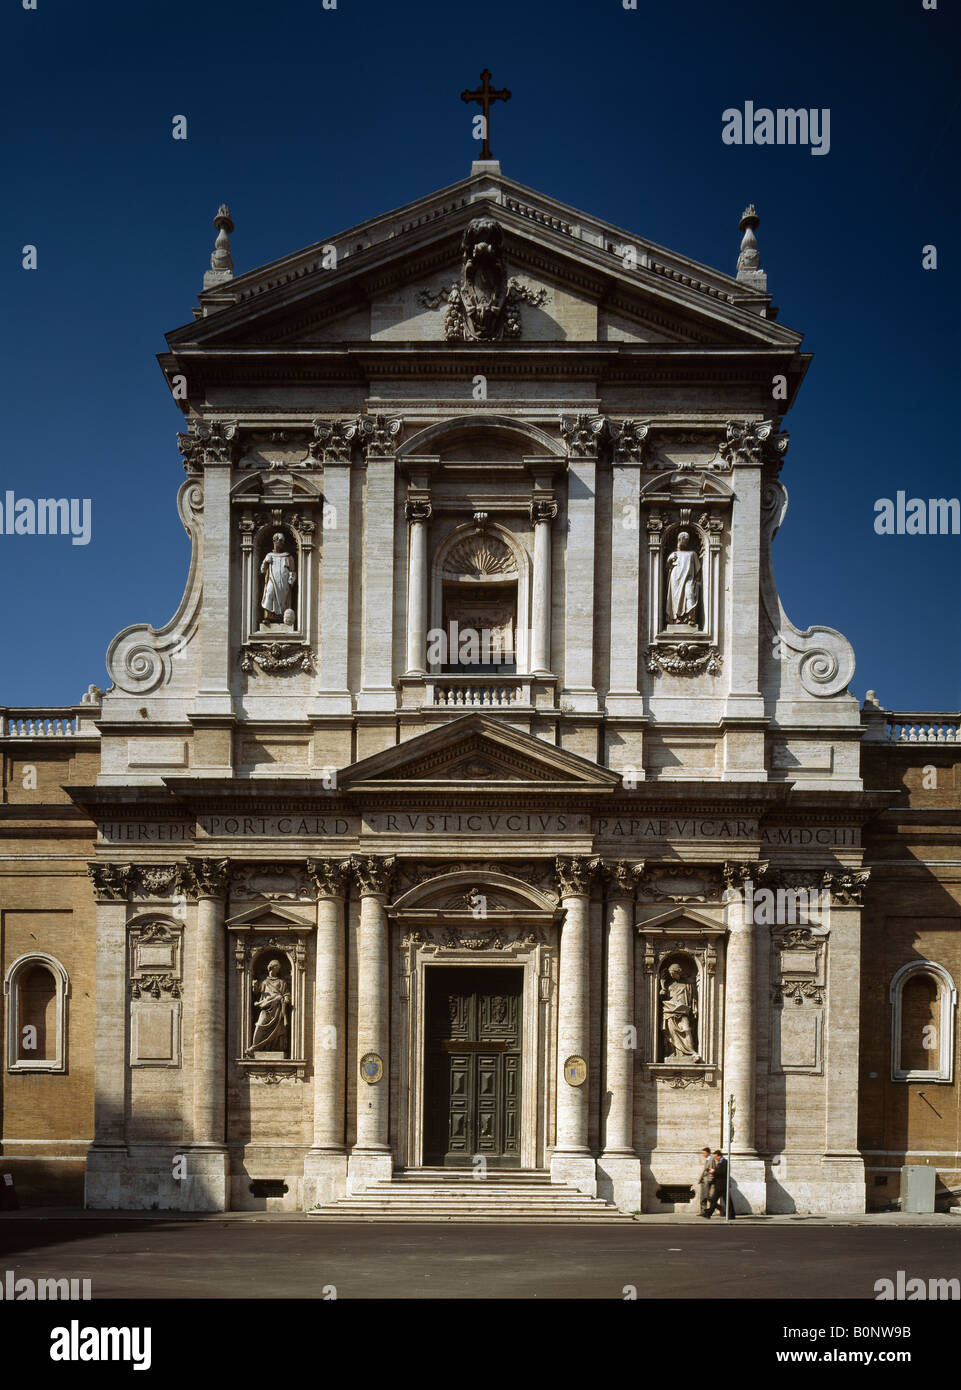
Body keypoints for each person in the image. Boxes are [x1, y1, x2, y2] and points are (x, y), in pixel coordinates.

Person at [705, 1149, 736, 1220]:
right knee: (723, 1200)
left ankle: (709, 1213)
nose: (715, 1158)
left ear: (719, 1156)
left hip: (722, 1185)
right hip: (719, 1185)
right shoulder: (720, 1162)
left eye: (716, 1157)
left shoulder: (724, 1162)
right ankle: (731, 1215)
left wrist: (714, 1172)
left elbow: (723, 1173)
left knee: (720, 1200)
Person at [698, 1147, 716, 1216]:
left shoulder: (711, 1159)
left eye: (704, 1153)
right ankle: (703, 1211)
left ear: (708, 1153)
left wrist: (709, 1180)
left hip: (707, 1180)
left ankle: (705, 1211)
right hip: (704, 1180)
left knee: (705, 1196)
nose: (703, 1154)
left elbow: (711, 1170)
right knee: (704, 1196)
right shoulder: (708, 1159)